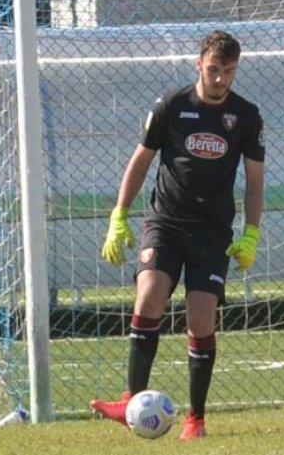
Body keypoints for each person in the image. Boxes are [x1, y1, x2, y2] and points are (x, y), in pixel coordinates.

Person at [90, 30, 265, 441]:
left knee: (201, 315)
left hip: (212, 230)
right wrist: (119, 216)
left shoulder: (246, 116)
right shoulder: (171, 105)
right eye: (214, 69)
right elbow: (140, 162)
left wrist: (251, 233)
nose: (220, 79)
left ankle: (195, 420)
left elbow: (255, 181)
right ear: (199, 64)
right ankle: (131, 401)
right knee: (149, 295)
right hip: (165, 222)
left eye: (229, 71)